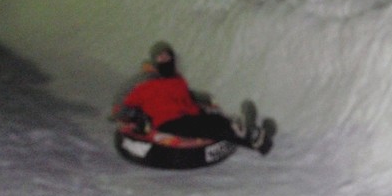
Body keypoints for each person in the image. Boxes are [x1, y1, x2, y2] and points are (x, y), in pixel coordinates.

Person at [110, 41, 275, 155]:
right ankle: (253, 136)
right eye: (160, 58)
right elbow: (122, 105)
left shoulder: (178, 80)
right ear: (155, 61)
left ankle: (254, 135)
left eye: (167, 57)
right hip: (169, 122)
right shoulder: (144, 83)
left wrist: (202, 100)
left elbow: (187, 97)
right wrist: (133, 117)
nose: (164, 60)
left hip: (189, 115)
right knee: (213, 128)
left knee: (217, 119)